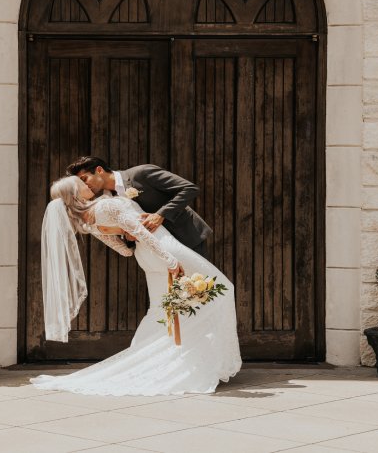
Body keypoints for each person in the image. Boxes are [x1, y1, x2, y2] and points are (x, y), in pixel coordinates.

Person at [32, 176, 241, 396]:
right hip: (164, 248)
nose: (87, 184)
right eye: (81, 184)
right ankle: (191, 361)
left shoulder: (88, 222)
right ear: (75, 194)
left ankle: (168, 360)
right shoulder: (106, 204)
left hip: (146, 258)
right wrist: (169, 260)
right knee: (223, 290)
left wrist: (123, 233)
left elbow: (125, 250)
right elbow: (143, 232)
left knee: (161, 310)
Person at [66, 157, 212, 259]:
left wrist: (160, 214)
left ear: (99, 170)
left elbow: (189, 188)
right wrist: (128, 236)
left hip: (185, 237)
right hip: (156, 253)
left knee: (203, 294)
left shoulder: (141, 173)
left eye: (84, 179)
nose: (85, 186)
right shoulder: (106, 202)